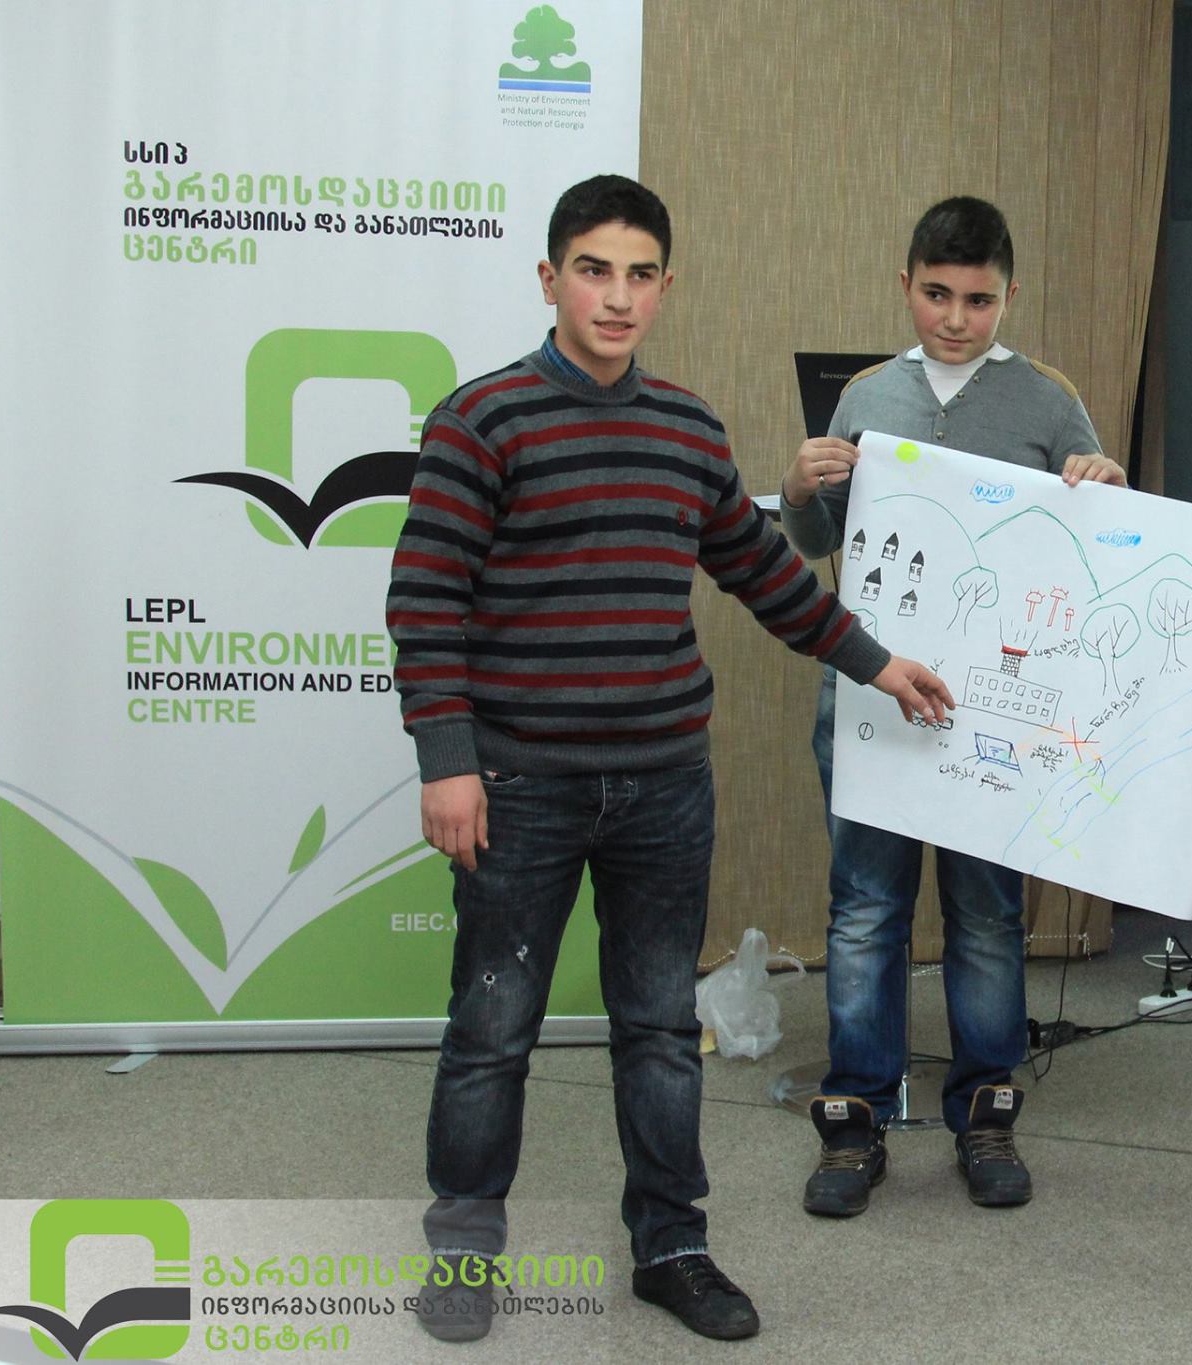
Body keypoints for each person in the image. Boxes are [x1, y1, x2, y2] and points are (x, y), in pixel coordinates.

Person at [385, 173, 953, 1345]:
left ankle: (671, 1246)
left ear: (664, 287)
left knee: (655, 1029)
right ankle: (466, 1249)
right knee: (492, 1030)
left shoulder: (686, 428)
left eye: (639, 275)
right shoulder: (480, 420)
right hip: (520, 785)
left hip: (661, 785)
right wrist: (447, 762)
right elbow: (426, 602)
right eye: (593, 270)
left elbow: (761, 571)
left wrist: (875, 663)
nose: (617, 296)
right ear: (549, 280)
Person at [777, 196, 1125, 1217]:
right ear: (906, 286)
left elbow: (1094, 553)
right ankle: (855, 1119)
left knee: (985, 914)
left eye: (978, 299)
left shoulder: (1047, 403)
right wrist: (797, 488)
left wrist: (1106, 487)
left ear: (1008, 295)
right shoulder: (866, 395)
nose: (956, 318)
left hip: (992, 716)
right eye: (936, 295)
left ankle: (985, 1113)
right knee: (864, 911)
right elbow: (816, 542)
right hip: (871, 700)